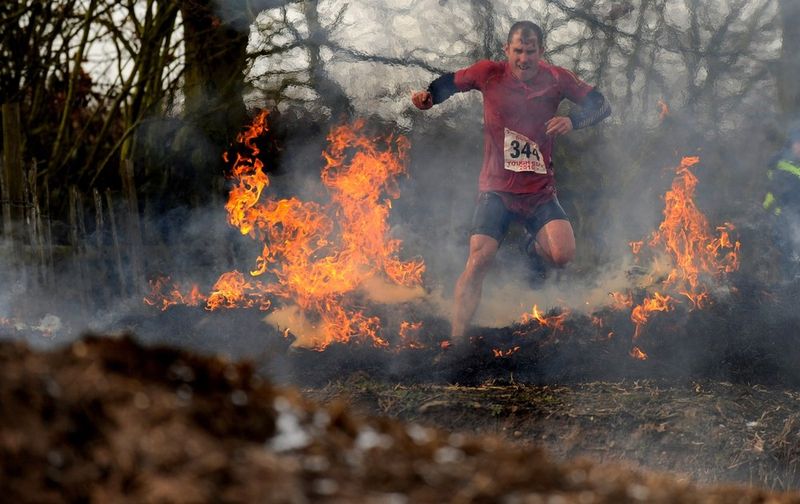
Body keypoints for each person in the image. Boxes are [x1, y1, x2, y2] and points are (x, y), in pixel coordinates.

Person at [411, 21, 611, 340]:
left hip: (540, 193)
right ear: (507, 50)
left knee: (563, 256)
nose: (524, 59)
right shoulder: (488, 72)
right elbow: (451, 82)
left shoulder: (557, 78)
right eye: (518, 51)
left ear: (541, 52)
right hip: (497, 192)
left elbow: (601, 105)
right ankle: (457, 340)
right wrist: (429, 97)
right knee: (479, 259)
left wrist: (572, 120)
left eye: (530, 52)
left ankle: (532, 249)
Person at [763, 126, 800, 277]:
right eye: (798, 143)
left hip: (790, 218)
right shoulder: (782, 166)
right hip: (785, 218)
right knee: (791, 257)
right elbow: (783, 195)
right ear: (792, 144)